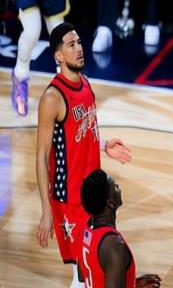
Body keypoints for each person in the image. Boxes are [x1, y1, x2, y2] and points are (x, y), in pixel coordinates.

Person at [36, 22, 132, 288]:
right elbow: (41, 156)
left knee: (93, 271)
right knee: (83, 274)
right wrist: (46, 210)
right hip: (70, 199)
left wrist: (104, 145)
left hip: (92, 192)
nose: (79, 48)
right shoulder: (53, 98)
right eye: (71, 45)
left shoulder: (86, 83)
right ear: (58, 55)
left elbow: (78, 133)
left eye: (79, 42)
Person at [78, 169, 161, 287]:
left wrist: (133, 283)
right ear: (110, 202)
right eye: (115, 187)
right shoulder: (114, 246)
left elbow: (84, 276)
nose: (118, 187)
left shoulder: (84, 229)